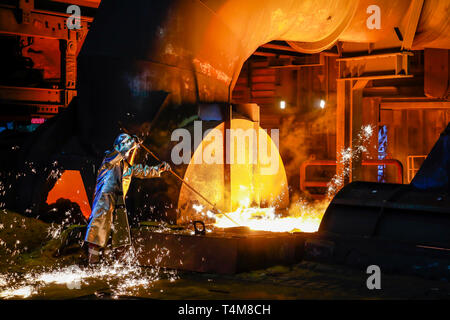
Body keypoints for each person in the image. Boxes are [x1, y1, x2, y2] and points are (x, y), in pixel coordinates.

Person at [84, 133, 170, 264]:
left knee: (119, 237)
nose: (130, 152)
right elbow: (120, 152)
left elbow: (143, 171)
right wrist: (133, 142)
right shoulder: (109, 158)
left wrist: (159, 169)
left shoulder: (127, 167)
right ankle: (92, 263)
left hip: (118, 205)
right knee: (96, 235)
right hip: (104, 202)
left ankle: (114, 265)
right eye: (128, 148)